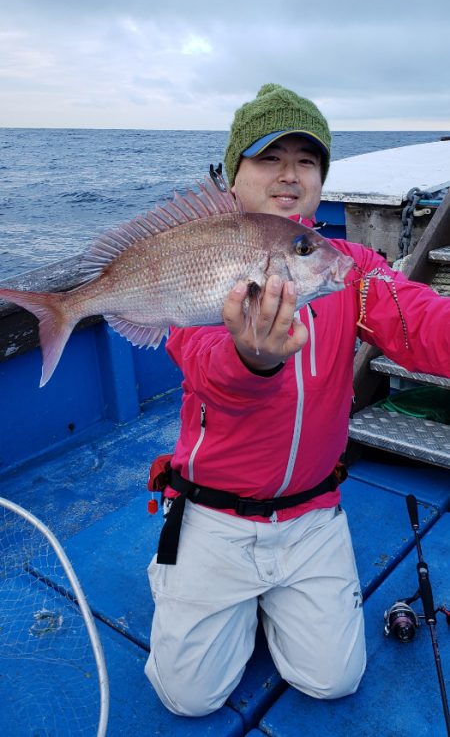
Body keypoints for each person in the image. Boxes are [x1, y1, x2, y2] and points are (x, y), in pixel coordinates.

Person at [144, 82, 450, 716]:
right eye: (268, 157)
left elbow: (416, 319)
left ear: (321, 177)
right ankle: (183, 576)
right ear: (234, 177)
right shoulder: (202, 262)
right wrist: (252, 357)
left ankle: (259, 602)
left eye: (306, 160)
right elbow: (203, 366)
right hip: (215, 515)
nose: (290, 175)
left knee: (332, 679)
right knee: (187, 698)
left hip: (310, 515)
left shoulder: (343, 267)